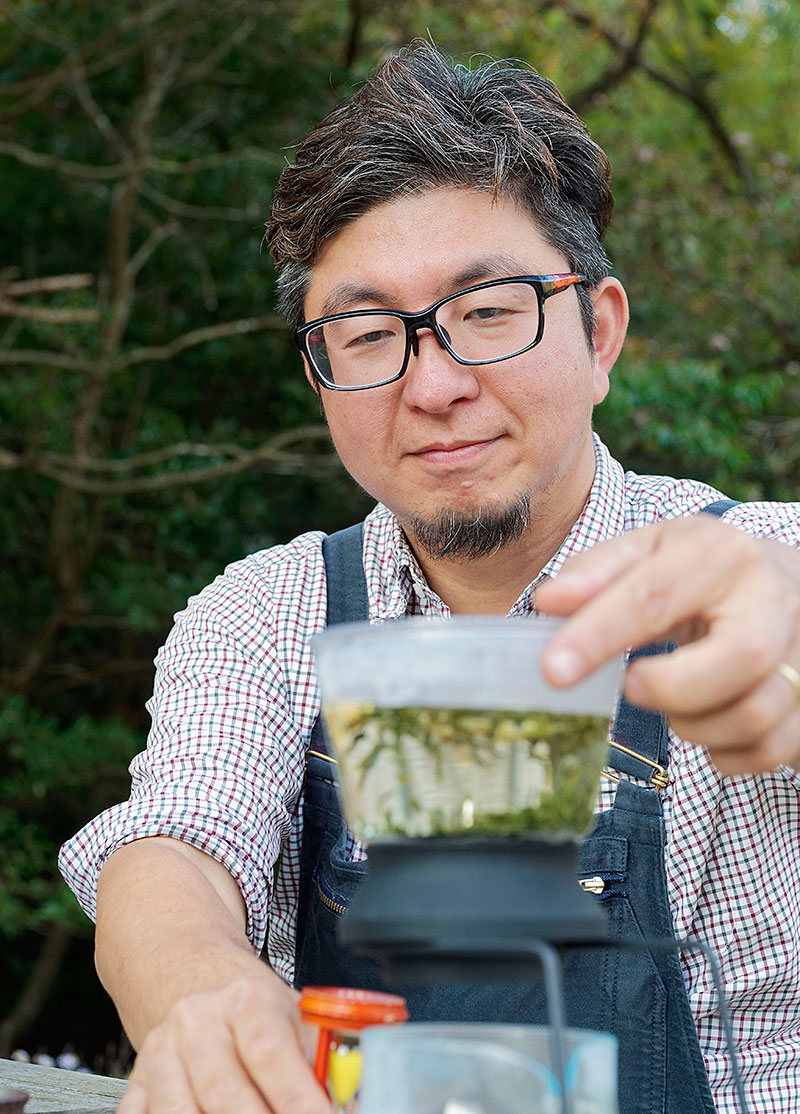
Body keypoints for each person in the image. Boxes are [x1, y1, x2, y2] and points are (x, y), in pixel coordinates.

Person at [59, 41, 800, 1114]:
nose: (435, 383)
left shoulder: (759, 561)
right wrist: (203, 989)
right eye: (366, 334)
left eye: (488, 310)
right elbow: (171, 844)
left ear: (598, 333)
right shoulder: (266, 614)